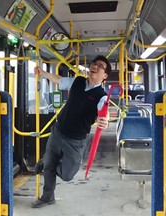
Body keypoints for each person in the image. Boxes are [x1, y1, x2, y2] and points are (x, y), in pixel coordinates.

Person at [31, 55, 111, 208]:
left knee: (67, 175)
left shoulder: (101, 96)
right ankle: (48, 196)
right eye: (94, 63)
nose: (95, 66)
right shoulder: (78, 81)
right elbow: (59, 79)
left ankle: (47, 161)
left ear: (104, 76)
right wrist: (43, 73)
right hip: (58, 130)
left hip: (75, 140)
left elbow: (104, 111)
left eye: (100, 66)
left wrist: (104, 120)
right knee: (49, 167)